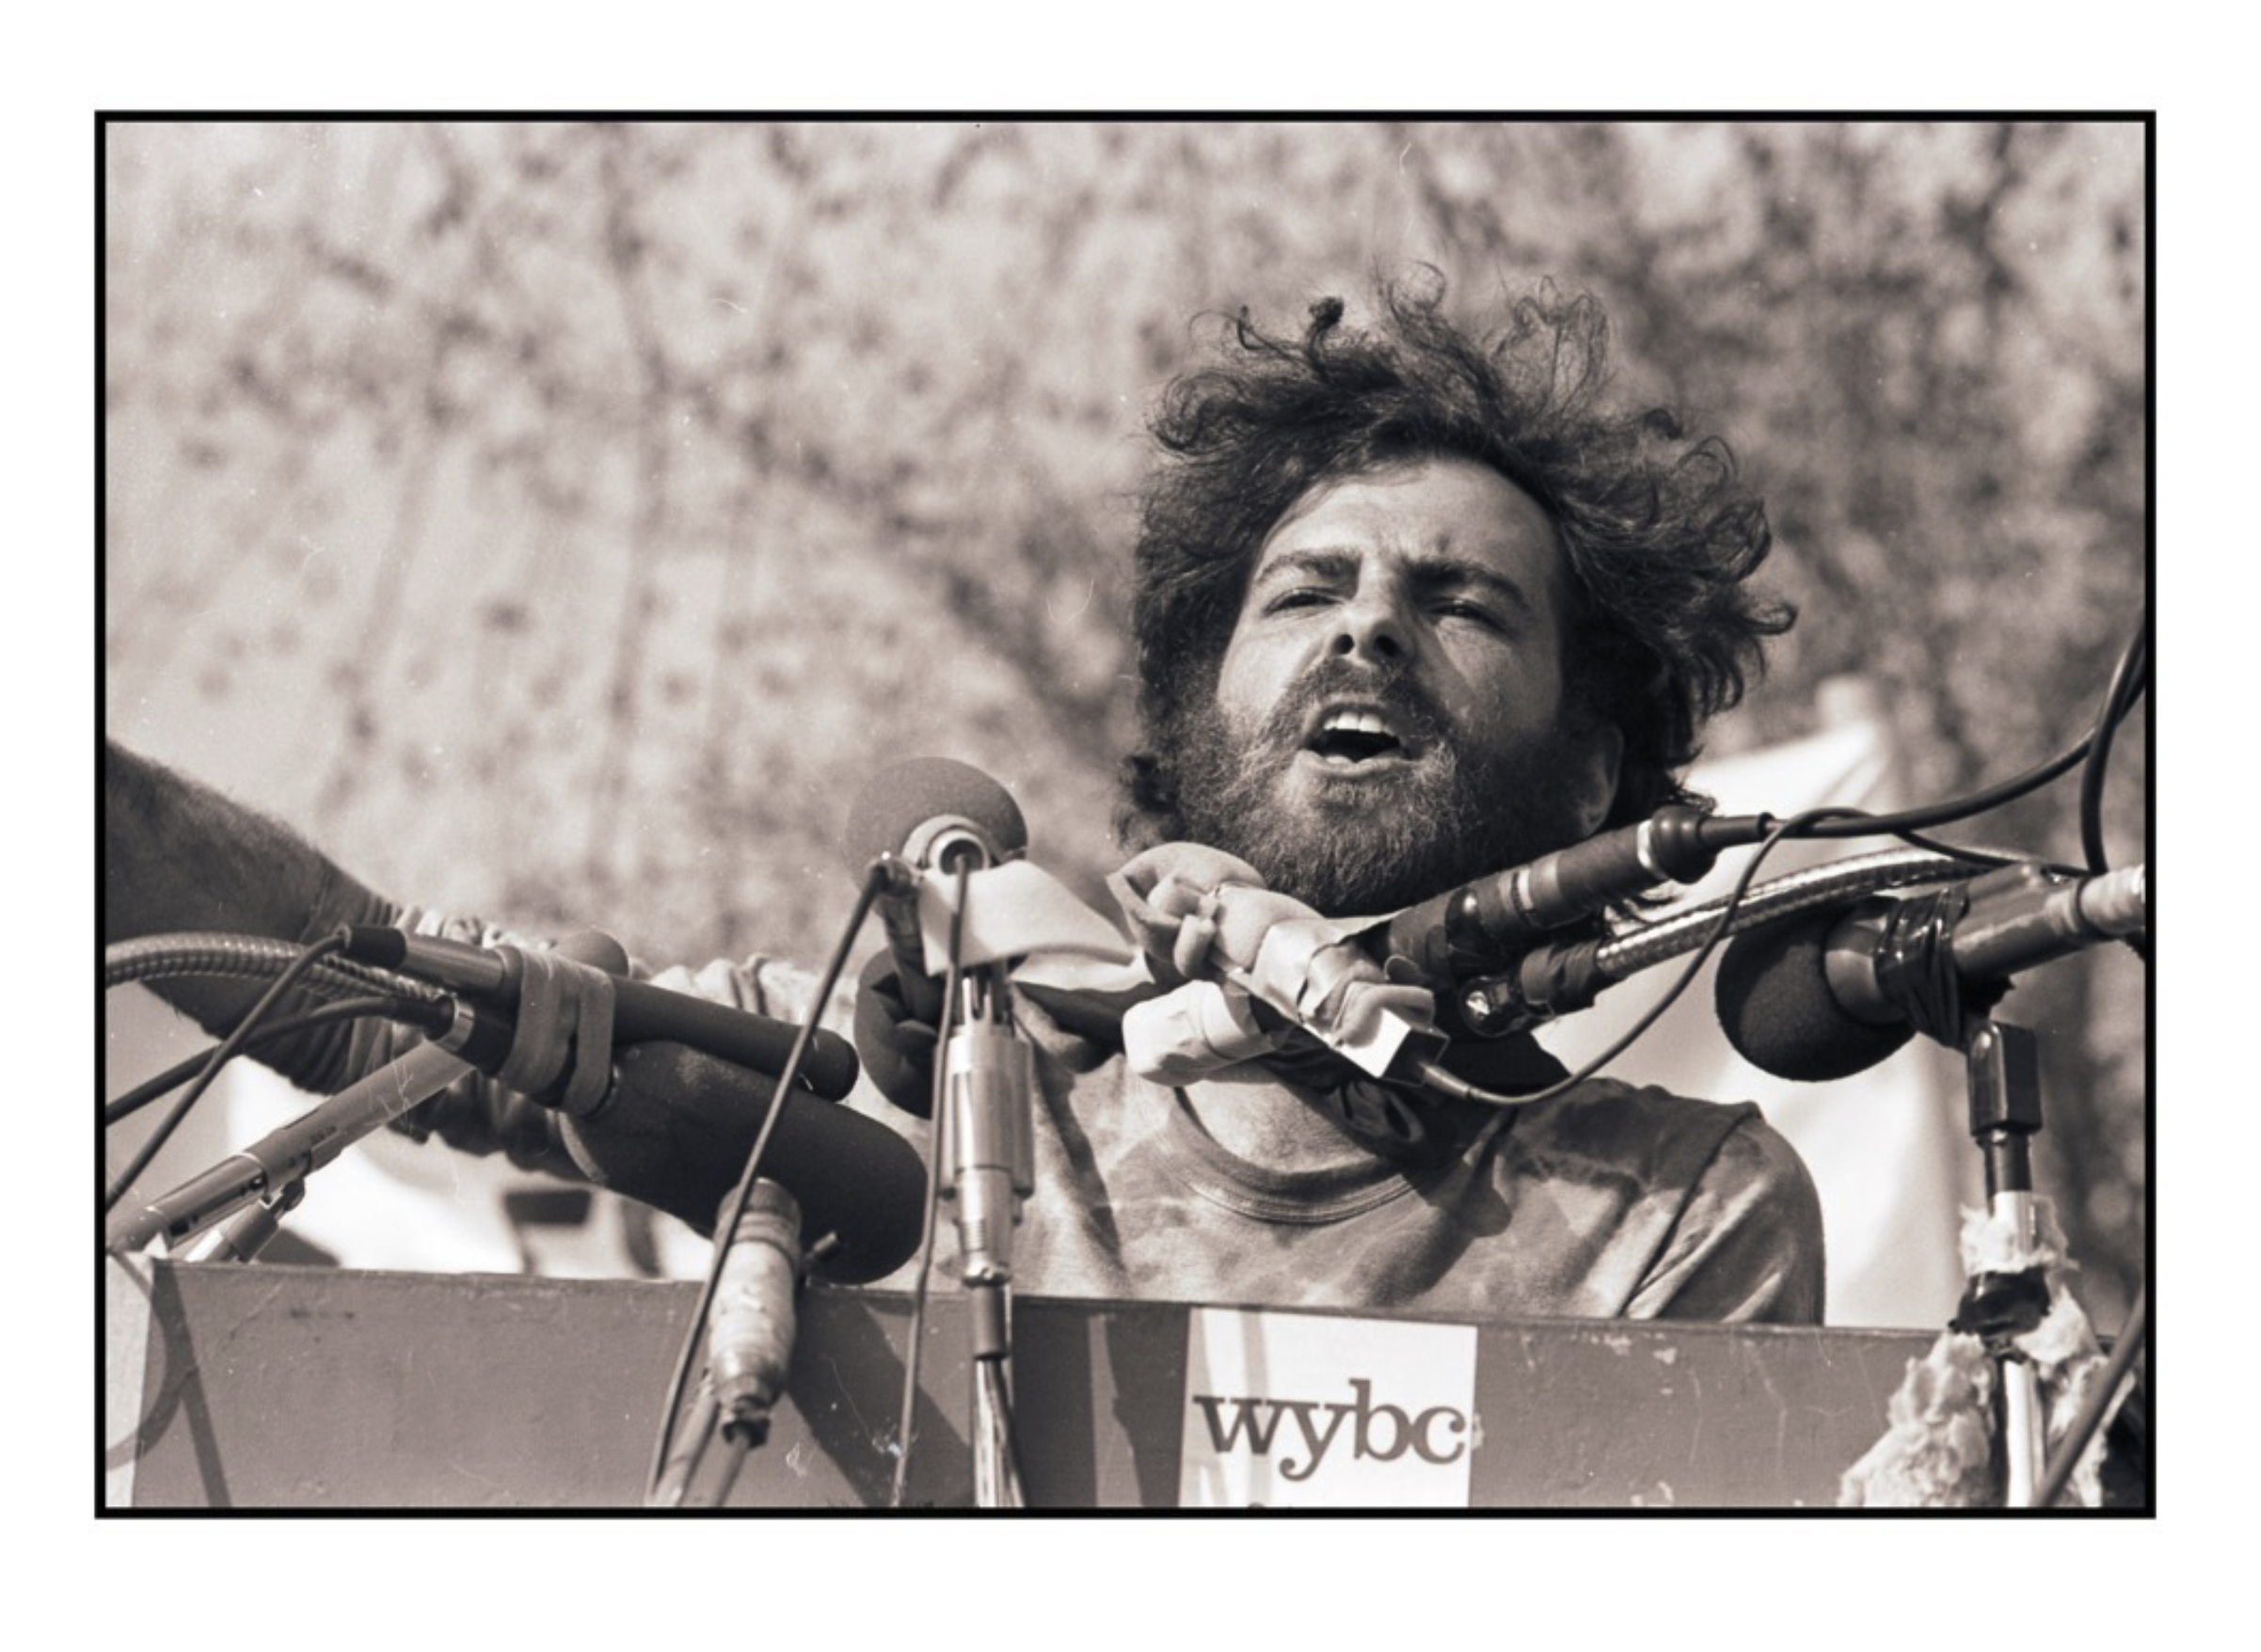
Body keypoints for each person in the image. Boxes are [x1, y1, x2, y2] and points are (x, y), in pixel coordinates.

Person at [104, 272, 1824, 1324]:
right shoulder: (917, 1077)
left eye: (1461, 604)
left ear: (1594, 769)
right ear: (1200, 715)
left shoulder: (1675, 1207)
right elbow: (366, 1005)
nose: (1366, 625)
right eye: (1304, 591)